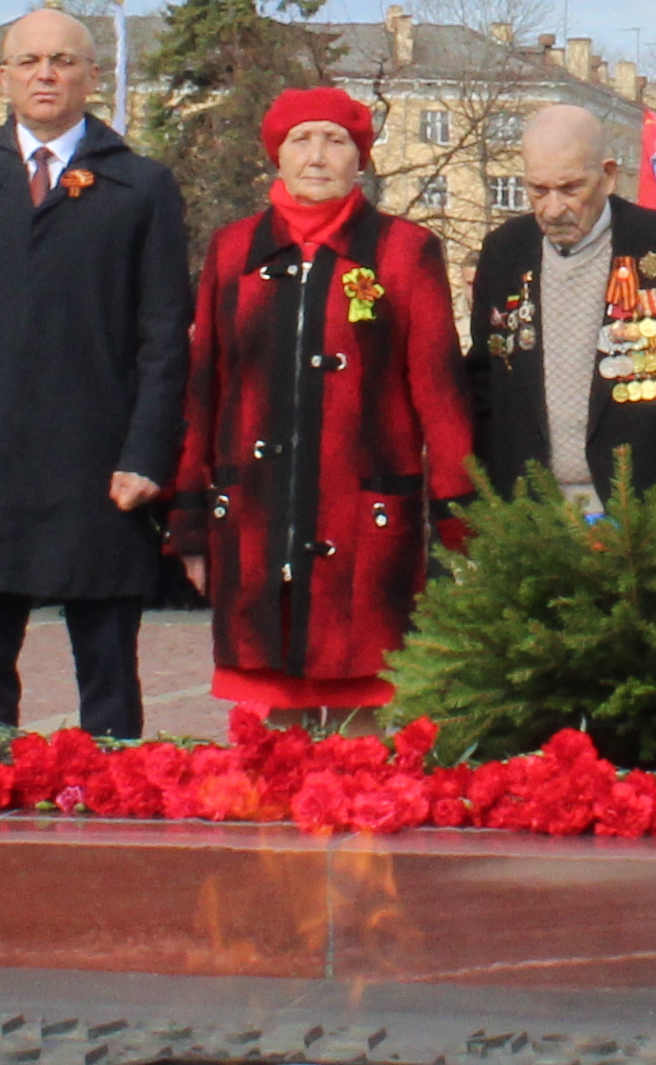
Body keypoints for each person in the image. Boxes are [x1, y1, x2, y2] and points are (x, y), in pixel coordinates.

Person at [0, 5, 191, 735]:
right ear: (3, 77)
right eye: (29, 61)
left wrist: (147, 453)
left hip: (100, 470)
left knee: (109, 680)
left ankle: (113, 816)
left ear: (93, 75)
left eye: (63, 60)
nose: (46, 74)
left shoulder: (143, 187)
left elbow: (164, 339)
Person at [171, 86, 474, 729]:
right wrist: (192, 522)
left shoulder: (405, 251)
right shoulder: (231, 252)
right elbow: (203, 392)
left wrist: (459, 522)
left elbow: (439, 394)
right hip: (256, 518)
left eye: (335, 140)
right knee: (272, 719)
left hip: (366, 521)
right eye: (300, 140)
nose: (317, 156)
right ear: (275, 156)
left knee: (363, 721)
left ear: (359, 159)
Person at [463, 98, 656, 508]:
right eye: (537, 190)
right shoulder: (503, 252)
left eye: (570, 188)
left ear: (608, 176)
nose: (552, 208)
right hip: (530, 510)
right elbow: (484, 380)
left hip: (648, 514)